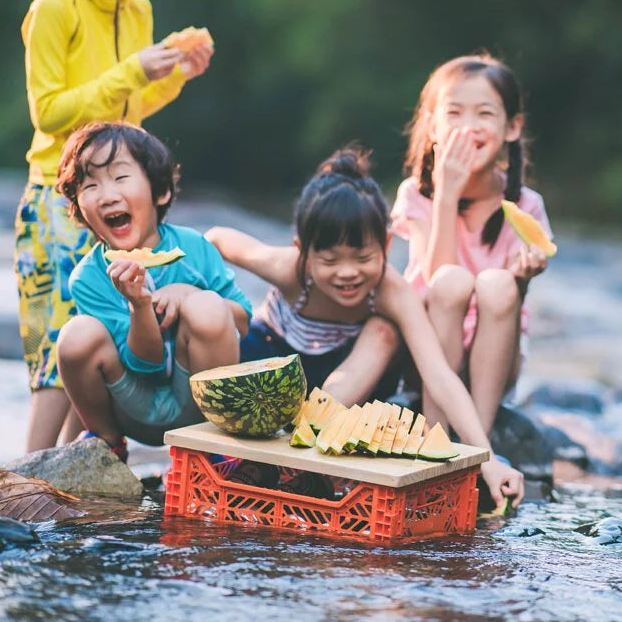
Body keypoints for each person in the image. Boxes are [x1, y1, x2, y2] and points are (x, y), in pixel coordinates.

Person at [15, 0, 213, 452]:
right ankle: (31, 462)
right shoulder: (53, 9)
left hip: (118, 194)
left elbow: (131, 114)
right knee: (61, 327)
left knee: (115, 323)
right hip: (60, 193)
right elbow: (49, 113)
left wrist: (176, 77)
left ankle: (87, 455)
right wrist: (130, 70)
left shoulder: (139, 7)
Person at [206, 148, 524, 508]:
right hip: (276, 363)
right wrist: (212, 295)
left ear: (386, 244)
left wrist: (488, 457)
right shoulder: (286, 267)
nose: (347, 273)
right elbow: (217, 239)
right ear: (303, 251)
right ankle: (259, 460)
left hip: (347, 385)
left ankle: (305, 461)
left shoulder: (391, 292)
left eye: (363, 258)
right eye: (329, 260)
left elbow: (438, 373)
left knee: (385, 331)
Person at [54, 122, 250, 460]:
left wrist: (189, 296)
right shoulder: (89, 277)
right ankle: (107, 444)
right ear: (80, 209)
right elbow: (147, 366)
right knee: (75, 336)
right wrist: (139, 307)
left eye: (120, 178)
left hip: (200, 408)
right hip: (131, 409)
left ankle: (213, 450)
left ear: (159, 192)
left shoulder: (194, 247)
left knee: (207, 305)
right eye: (90, 185)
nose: (108, 195)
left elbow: (243, 323)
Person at [391, 53, 551, 439]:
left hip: (494, 358)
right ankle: (434, 437)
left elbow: (511, 301)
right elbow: (436, 281)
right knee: (451, 280)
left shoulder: (526, 205)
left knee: (498, 283)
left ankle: (477, 447)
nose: (468, 127)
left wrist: (523, 277)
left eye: (483, 114)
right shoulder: (418, 194)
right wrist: (446, 194)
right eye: (454, 113)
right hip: (427, 348)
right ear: (432, 127)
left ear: (512, 127)